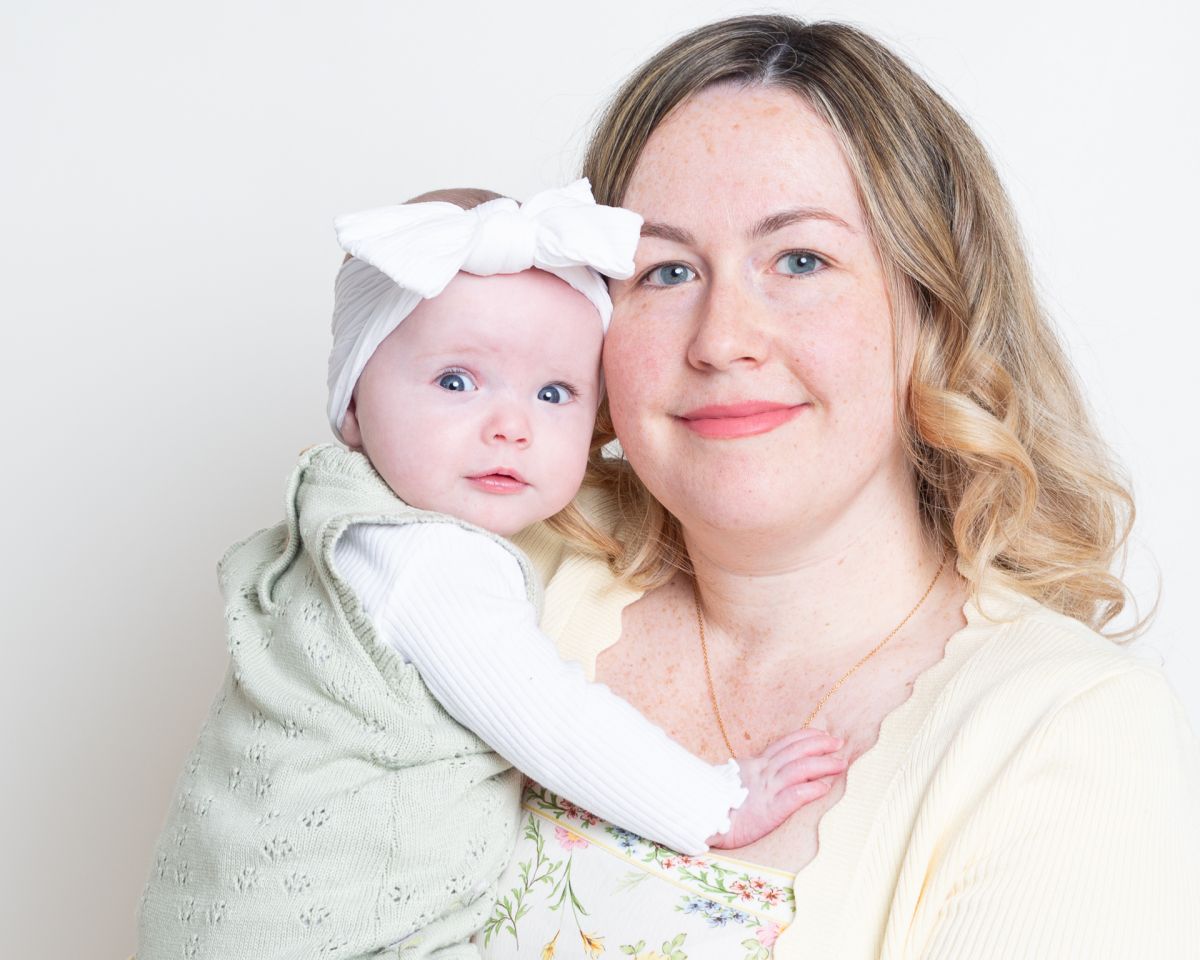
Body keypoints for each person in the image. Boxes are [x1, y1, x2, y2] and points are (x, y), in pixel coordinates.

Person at [480, 16, 1200, 960]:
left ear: (933, 307)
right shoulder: (492, 573)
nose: (721, 337)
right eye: (665, 270)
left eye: (800, 260)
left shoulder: (1071, 738)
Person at [134, 180, 846, 960]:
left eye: (554, 392)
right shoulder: (428, 559)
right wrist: (714, 802)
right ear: (352, 407)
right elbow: (552, 720)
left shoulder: (338, 519)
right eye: (455, 382)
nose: (511, 426)